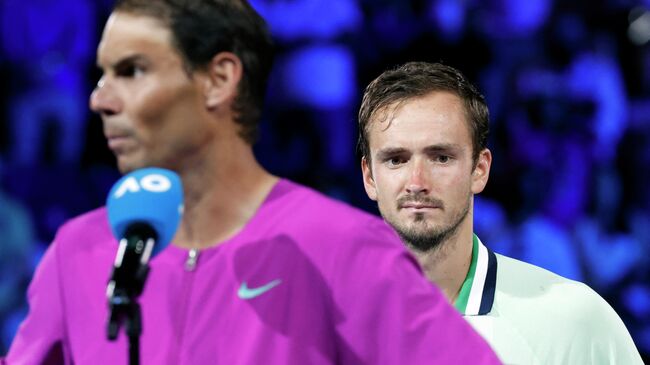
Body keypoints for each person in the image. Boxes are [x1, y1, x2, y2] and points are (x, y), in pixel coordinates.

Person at [3, 2, 501, 364]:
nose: (101, 100)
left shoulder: (341, 247)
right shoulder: (79, 250)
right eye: (102, 74)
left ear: (219, 81)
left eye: (133, 71)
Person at [357, 61, 644, 364]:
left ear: (480, 169)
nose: (417, 181)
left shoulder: (575, 315)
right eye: (396, 159)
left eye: (441, 157)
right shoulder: (328, 318)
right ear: (369, 177)